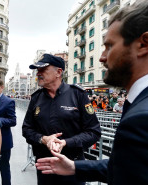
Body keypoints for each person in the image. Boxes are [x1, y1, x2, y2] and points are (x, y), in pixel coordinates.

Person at [35, 0, 148, 184]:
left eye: (110, 46)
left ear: (144, 43)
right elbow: (134, 165)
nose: (102, 57)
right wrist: (75, 167)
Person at [22, 54, 101, 185]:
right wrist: (44, 139)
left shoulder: (78, 94)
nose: (38, 74)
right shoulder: (36, 98)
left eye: (42, 70)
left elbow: (93, 132)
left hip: (73, 166)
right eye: (37, 70)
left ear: (58, 72)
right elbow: (27, 129)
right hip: (45, 166)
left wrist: (66, 142)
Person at [0, 77, 17, 185]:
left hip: (4, 143)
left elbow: (13, 121)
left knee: (4, 169)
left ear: (2, 87)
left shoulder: (9, 101)